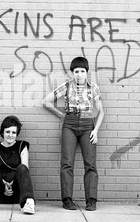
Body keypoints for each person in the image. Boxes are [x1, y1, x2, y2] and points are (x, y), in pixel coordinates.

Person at [43, 57, 105, 211]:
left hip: (87, 125)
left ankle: (91, 200)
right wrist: (61, 115)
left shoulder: (93, 88)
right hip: (69, 125)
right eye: (76, 71)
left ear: (86, 72)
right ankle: (67, 200)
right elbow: (46, 102)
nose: (79, 74)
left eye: (82, 71)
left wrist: (95, 130)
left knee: (90, 163)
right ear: (72, 73)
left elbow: (101, 111)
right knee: (66, 163)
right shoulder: (66, 86)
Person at [0, 116, 35, 215]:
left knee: (23, 168)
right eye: (7, 132)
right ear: (2, 132)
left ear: (17, 133)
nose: (10, 135)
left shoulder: (22, 146)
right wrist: (4, 184)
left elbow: (25, 168)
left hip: (17, 190)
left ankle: (29, 203)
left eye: (13, 133)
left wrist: (10, 184)